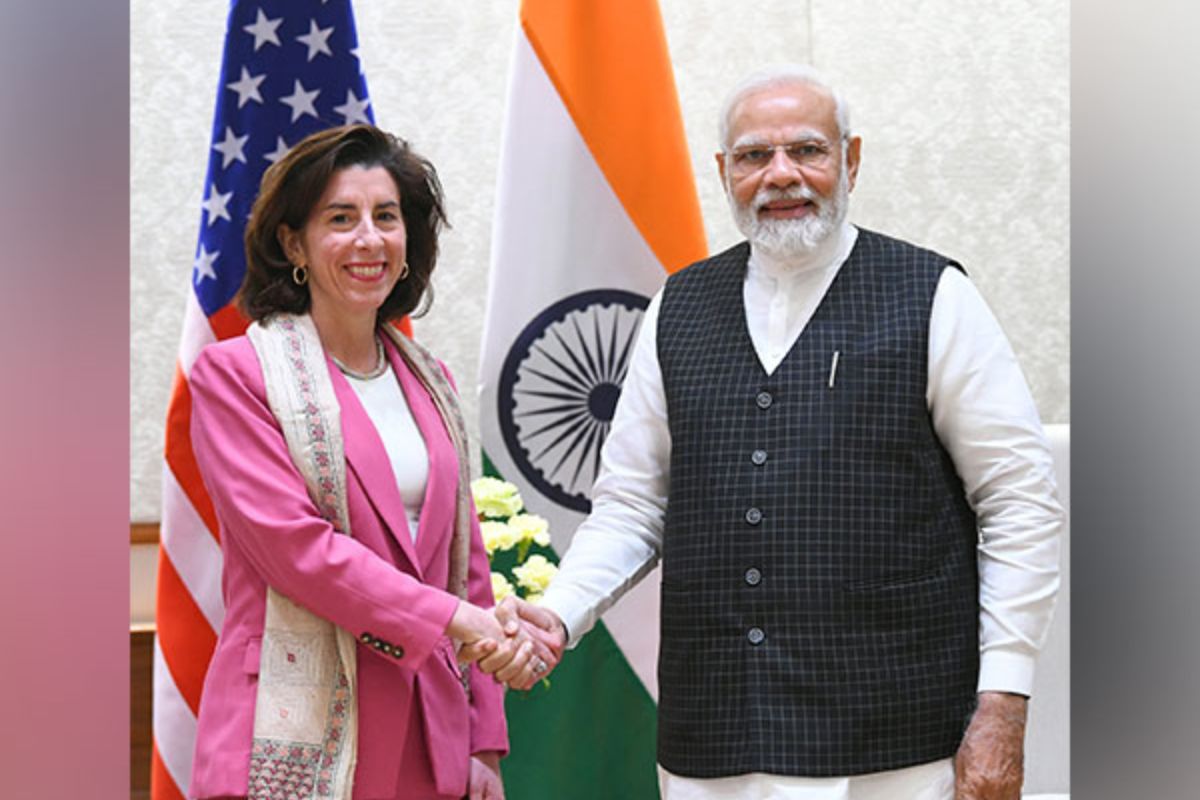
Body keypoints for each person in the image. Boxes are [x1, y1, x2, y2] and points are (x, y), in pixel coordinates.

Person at [496, 65, 1064, 800]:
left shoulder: (935, 297)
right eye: (754, 156)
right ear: (723, 172)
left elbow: (1019, 505)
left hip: (897, 746)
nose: (782, 175)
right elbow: (632, 505)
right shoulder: (680, 305)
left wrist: (1004, 702)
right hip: (718, 741)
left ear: (851, 159)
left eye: (808, 150)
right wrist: (559, 615)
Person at [187, 124, 539, 800]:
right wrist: (448, 622)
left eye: (386, 217)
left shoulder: (428, 379)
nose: (368, 240)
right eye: (340, 219)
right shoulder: (236, 376)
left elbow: (463, 565)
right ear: (294, 243)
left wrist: (484, 741)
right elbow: (296, 550)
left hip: (428, 737)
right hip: (295, 729)